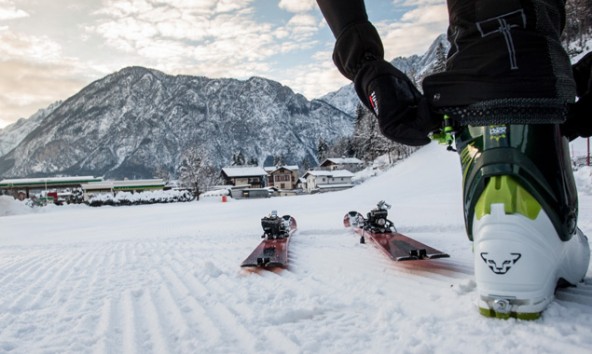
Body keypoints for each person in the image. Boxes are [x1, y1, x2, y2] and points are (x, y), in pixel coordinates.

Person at [317, 0, 591, 319]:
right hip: (543, 70)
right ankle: (546, 222)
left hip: (472, 72)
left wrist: (366, 67)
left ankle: (492, 218)